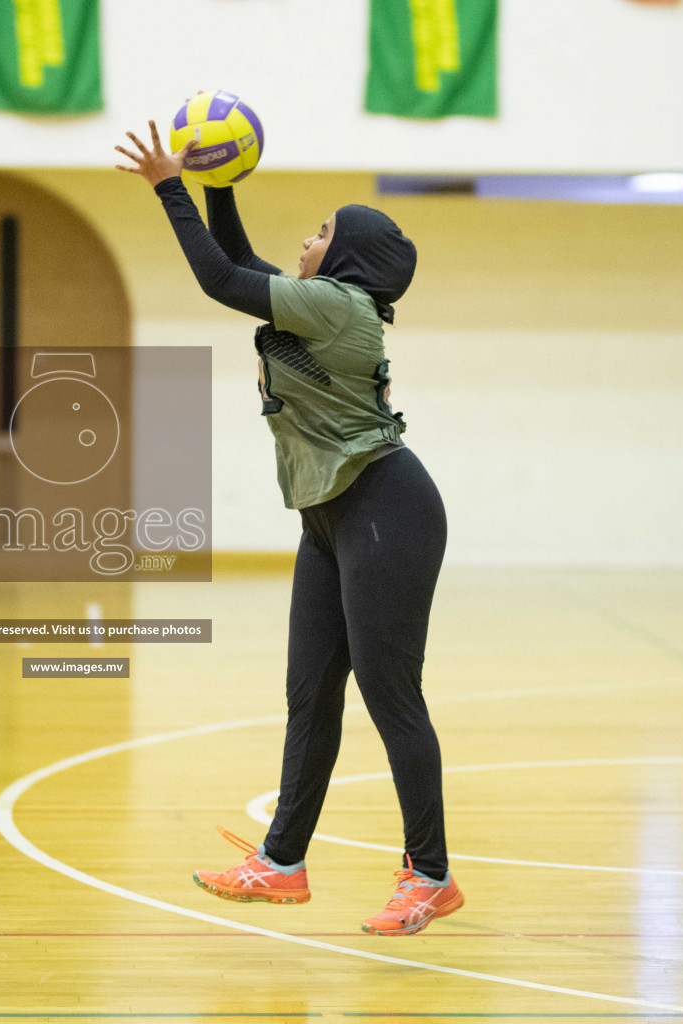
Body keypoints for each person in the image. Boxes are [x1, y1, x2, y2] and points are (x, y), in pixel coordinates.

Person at [116, 122, 463, 936]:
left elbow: (217, 280)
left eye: (321, 232)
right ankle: (281, 864)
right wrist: (221, 179)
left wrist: (173, 184)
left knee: (392, 698)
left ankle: (433, 876)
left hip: (386, 509)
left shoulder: (339, 309)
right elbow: (238, 267)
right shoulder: (325, 306)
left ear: (344, 260)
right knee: (309, 696)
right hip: (330, 519)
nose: (305, 241)